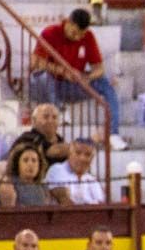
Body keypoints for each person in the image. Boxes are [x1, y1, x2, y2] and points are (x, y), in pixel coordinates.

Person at [28, 9, 127, 151]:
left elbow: (99, 69)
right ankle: (58, 112)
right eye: (74, 33)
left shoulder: (88, 37)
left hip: (73, 84)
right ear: (67, 23)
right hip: (48, 84)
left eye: (81, 35)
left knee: (104, 83)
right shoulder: (50, 33)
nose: (77, 38)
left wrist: (85, 77)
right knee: (44, 76)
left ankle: (113, 133)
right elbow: (36, 63)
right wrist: (62, 71)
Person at [44, 137, 105, 205]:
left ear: (92, 158)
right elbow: (64, 201)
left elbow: (101, 203)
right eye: (78, 153)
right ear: (69, 154)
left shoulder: (92, 180)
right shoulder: (57, 170)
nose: (82, 158)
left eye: (87, 155)